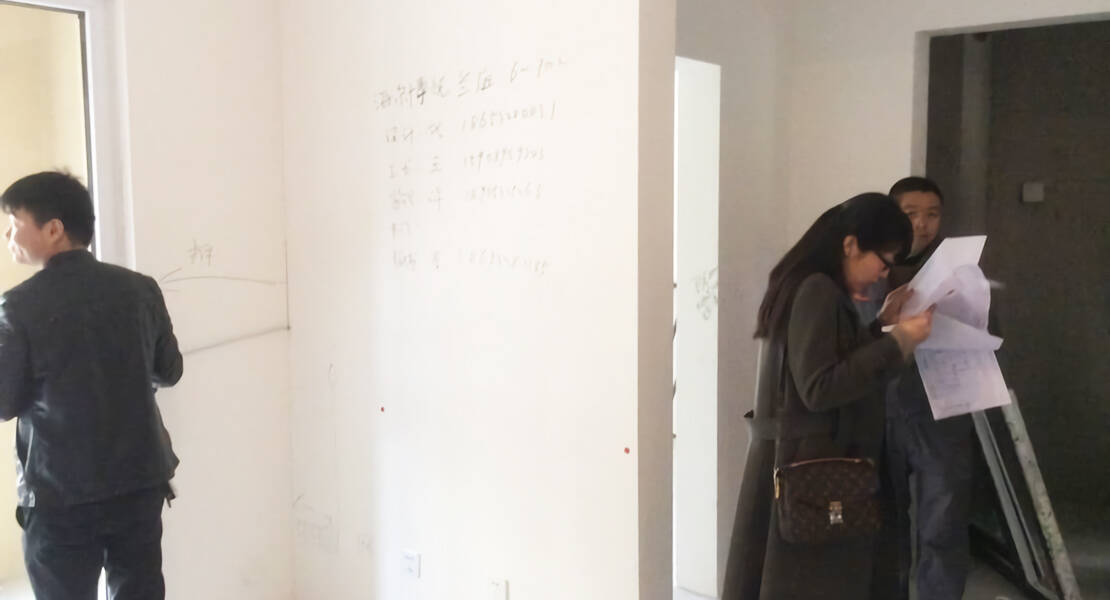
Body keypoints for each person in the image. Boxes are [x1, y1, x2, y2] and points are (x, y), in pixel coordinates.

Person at [722, 192, 934, 600]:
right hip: (816, 472)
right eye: (883, 262)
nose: (883, 274)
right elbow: (819, 387)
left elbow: (829, 362)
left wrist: (882, 327)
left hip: (808, 466)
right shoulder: (817, 290)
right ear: (851, 244)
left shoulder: (811, 286)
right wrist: (898, 343)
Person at [0, 172, 183, 599]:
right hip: (138, 480)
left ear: (53, 229)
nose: (8, 235)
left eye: (13, 222)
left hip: (58, 492)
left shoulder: (17, 306)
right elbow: (169, 371)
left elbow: (4, 401)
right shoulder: (140, 290)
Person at [874, 176, 974, 600]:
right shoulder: (870, 267)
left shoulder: (959, 270)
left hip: (941, 406)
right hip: (881, 406)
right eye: (911, 214)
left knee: (943, 518)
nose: (922, 224)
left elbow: (985, 328)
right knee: (883, 519)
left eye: (932, 214)